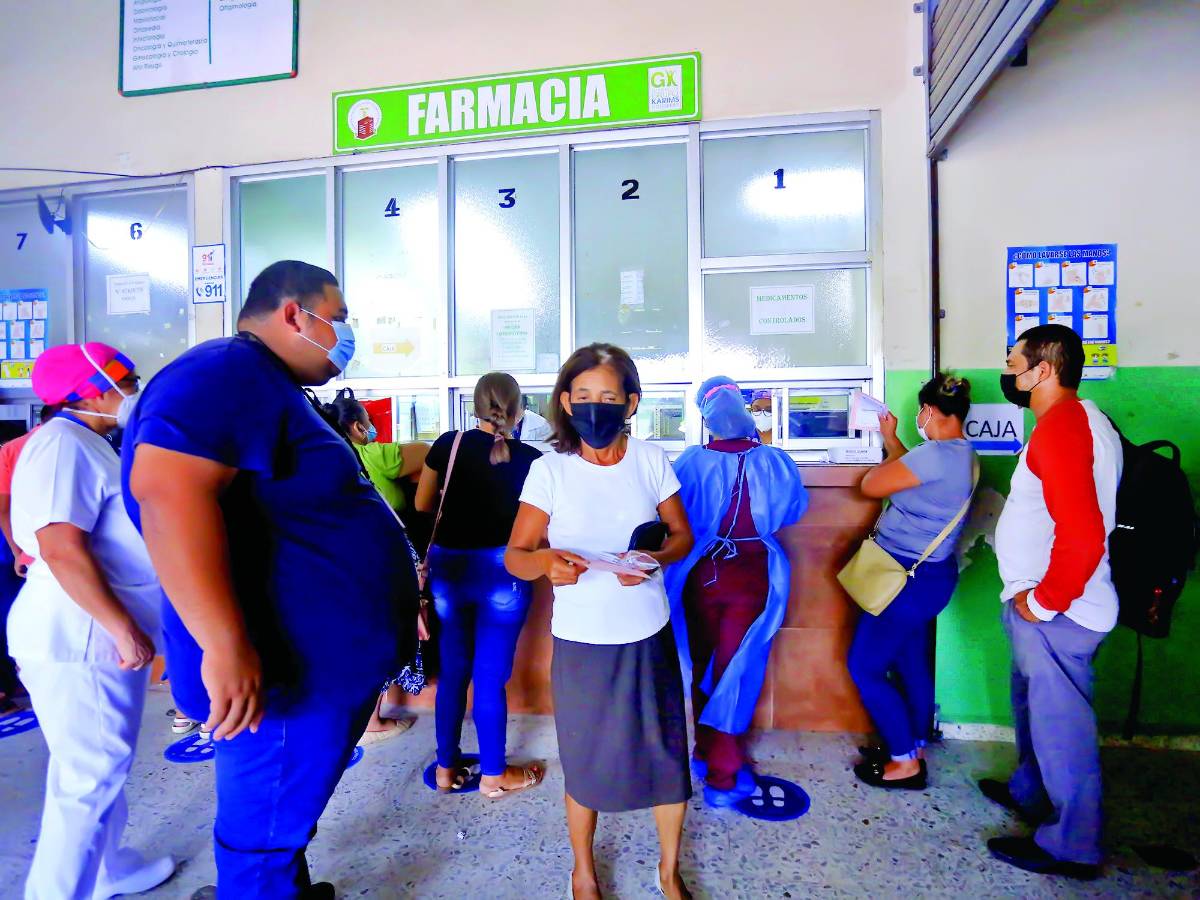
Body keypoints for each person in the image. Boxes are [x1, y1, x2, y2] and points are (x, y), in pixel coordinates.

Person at [123, 260, 418, 898]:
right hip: (284, 672)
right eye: (338, 319)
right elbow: (168, 492)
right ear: (293, 314)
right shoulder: (225, 371)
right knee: (263, 834)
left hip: (316, 666)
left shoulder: (271, 386)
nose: (346, 334)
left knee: (285, 816)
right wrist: (224, 643)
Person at [506, 343, 695, 900]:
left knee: (666, 756)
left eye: (609, 397)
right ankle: (583, 872)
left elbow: (682, 536)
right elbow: (516, 555)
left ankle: (668, 870)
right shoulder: (549, 470)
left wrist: (653, 560)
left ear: (631, 403)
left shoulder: (650, 460)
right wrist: (545, 562)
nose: (596, 407)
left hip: (648, 633)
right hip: (582, 642)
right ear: (566, 402)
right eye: (584, 395)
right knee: (585, 759)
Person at [8, 342, 174, 899]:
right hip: (81, 637)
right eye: (127, 381)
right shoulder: (62, 444)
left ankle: (110, 870)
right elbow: (60, 547)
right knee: (90, 776)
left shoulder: (88, 442)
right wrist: (122, 629)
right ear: (92, 391)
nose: (135, 390)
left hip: (87, 633)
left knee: (93, 763)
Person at [983, 324, 1121, 880]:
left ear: (1042, 370)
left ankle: (1072, 845)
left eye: (1013, 364)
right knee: (1035, 713)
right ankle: (1031, 794)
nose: (1008, 374)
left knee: (1062, 730)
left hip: (1059, 613)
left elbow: (1083, 533)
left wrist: (1043, 603)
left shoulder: (1064, 426)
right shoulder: (1080, 420)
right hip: (1046, 606)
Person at [664, 377, 808, 806]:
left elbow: (671, 513)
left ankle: (703, 752)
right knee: (735, 671)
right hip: (752, 575)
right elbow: (794, 510)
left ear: (706, 418)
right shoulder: (775, 461)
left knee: (702, 663)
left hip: (700, 574)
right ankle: (723, 779)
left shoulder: (691, 461)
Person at [414, 372, 545, 797]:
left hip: (449, 571)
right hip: (504, 571)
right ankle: (493, 774)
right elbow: (541, 525)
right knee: (490, 678)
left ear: (474, 407)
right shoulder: (532, 460)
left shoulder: (447, 446)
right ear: (519, 411)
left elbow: (421, 504)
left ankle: (445, 769)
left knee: (453, 671)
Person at [847, 373, 977, 790]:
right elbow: (911, 474)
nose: (920, 417)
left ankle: (904, 763)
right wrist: (891, 439)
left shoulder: (934, 455)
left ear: (931, 411)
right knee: (910, 664)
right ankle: (914, 745)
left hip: (903, 580)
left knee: (864, 668)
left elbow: (871, 486)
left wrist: (891, 449)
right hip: (931, 578)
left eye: (922, 410)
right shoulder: (962, 454)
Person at [324, 390, 427, 746]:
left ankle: (354, 718)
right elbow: (427, 452)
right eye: (368, 424)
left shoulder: (325, 459)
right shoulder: (371, 454)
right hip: (380, 560)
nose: (371, 430)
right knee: (384, 636)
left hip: (344, 565)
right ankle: (372, 723)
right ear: (356, 427)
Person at [0, 403, 58, 713]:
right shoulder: (54, 445)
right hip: (31, 552)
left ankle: (20, 680)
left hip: (26, 552)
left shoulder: (13, 449)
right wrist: (16, 552)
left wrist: (17, 552)